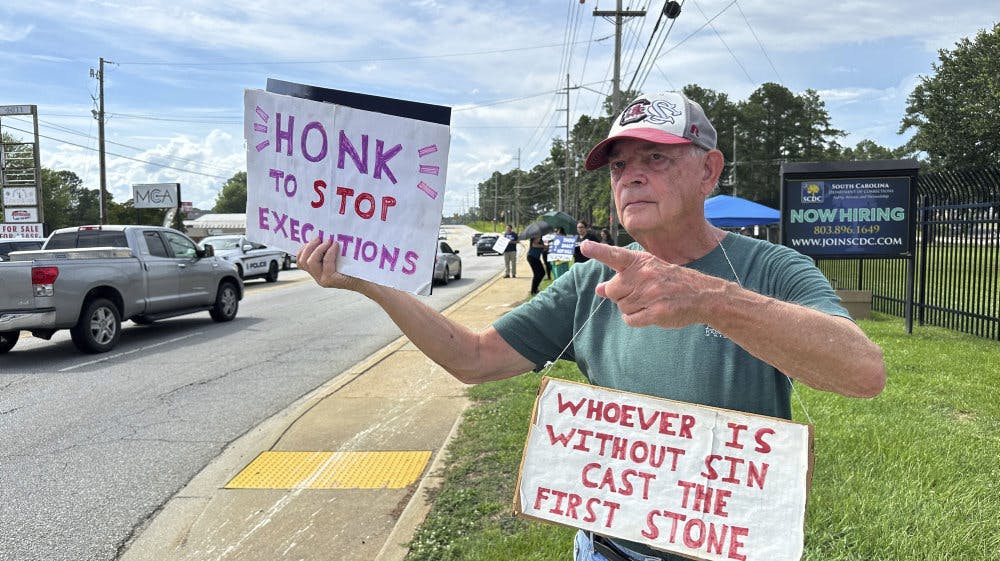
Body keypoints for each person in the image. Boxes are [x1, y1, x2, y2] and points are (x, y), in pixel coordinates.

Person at [297, 90, 886, 561]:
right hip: (606, 548)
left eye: (656, 158)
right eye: (620, 165)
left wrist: (708, 298)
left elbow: (863, 373)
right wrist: (373, 283)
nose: (631, 176)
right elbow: (473, 358)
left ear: (708, 171)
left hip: (733, 547)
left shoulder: (771, 268)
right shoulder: (590, 283)